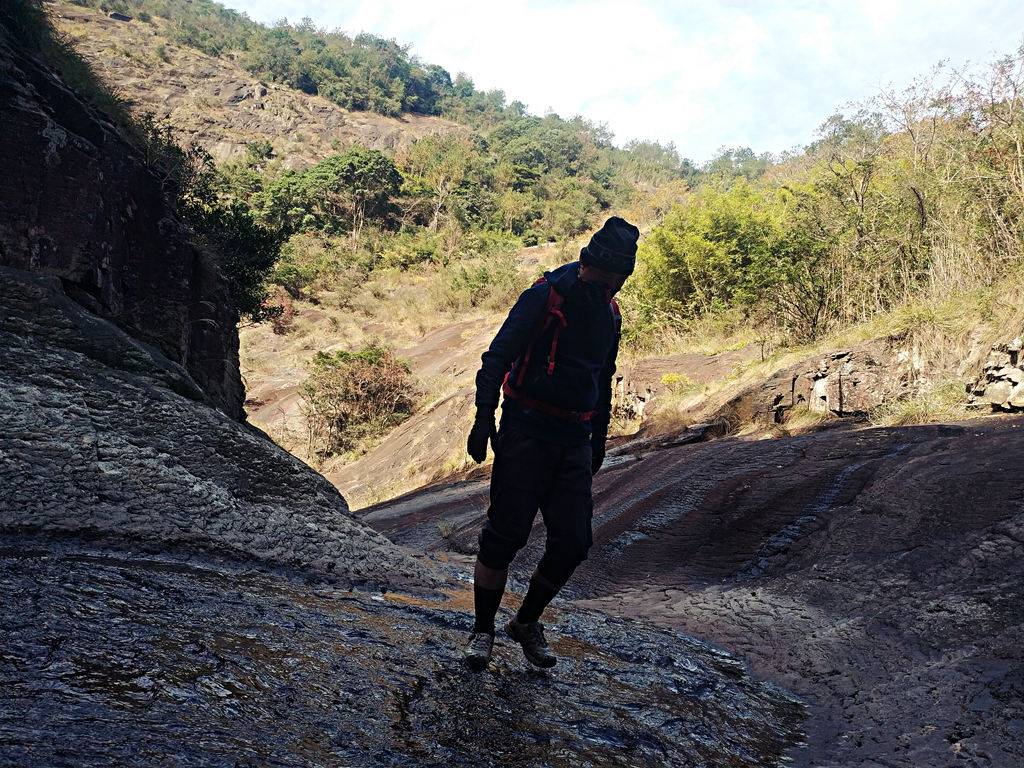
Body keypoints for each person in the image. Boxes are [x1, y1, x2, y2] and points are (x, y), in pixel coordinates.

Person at [462, 216, 639, 671]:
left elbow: (602, 377)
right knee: (504, 536)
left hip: (574, 438)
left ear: (620, 279)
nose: (596, 286)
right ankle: (482, 632)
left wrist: (597, 439)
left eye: (607, 283)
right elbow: (497, 356)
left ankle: (525, 622)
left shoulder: (611, 313)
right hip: (525, 430)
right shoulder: (543, 296)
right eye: (591, 275)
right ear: (583, 263)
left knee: (573, 543)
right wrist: (484, 417)